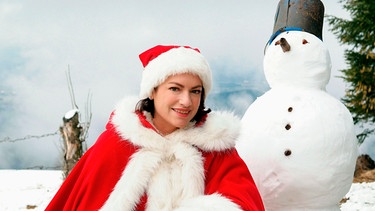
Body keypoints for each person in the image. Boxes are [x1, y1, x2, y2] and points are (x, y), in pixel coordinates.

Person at [45, 45, 265, 211]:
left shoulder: (215, 147)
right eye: (175, 89)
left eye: (195, 91)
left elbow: (243, 202)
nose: (186, 101)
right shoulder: (116, 144)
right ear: (152, 91)